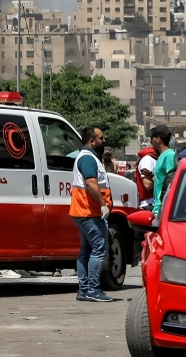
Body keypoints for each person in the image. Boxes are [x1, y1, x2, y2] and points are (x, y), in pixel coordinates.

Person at [69, 126, 113, 302]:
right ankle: (92, 289)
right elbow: (91, 184)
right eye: (101, 138)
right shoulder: (87, 159)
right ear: (92, 141)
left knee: (86, 251)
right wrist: (103, 205)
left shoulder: (88, 157)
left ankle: (84, 289)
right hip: (90, 212)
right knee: (99, 248)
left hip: (84, 212)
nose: (104, 141)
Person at [150, 125, 177, 219]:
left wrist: (163, 207)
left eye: (152, 138)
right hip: (158, 206)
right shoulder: (162, 155)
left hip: (163, 208)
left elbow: (171, 181)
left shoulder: (169, 155)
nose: (150, 141)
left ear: (158, 139)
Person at [135, 145, 157, 210]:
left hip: (153, 203)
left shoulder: (152, 159)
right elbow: (147, 184)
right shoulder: (147, 160)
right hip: (150, 204)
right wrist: (162, 179)